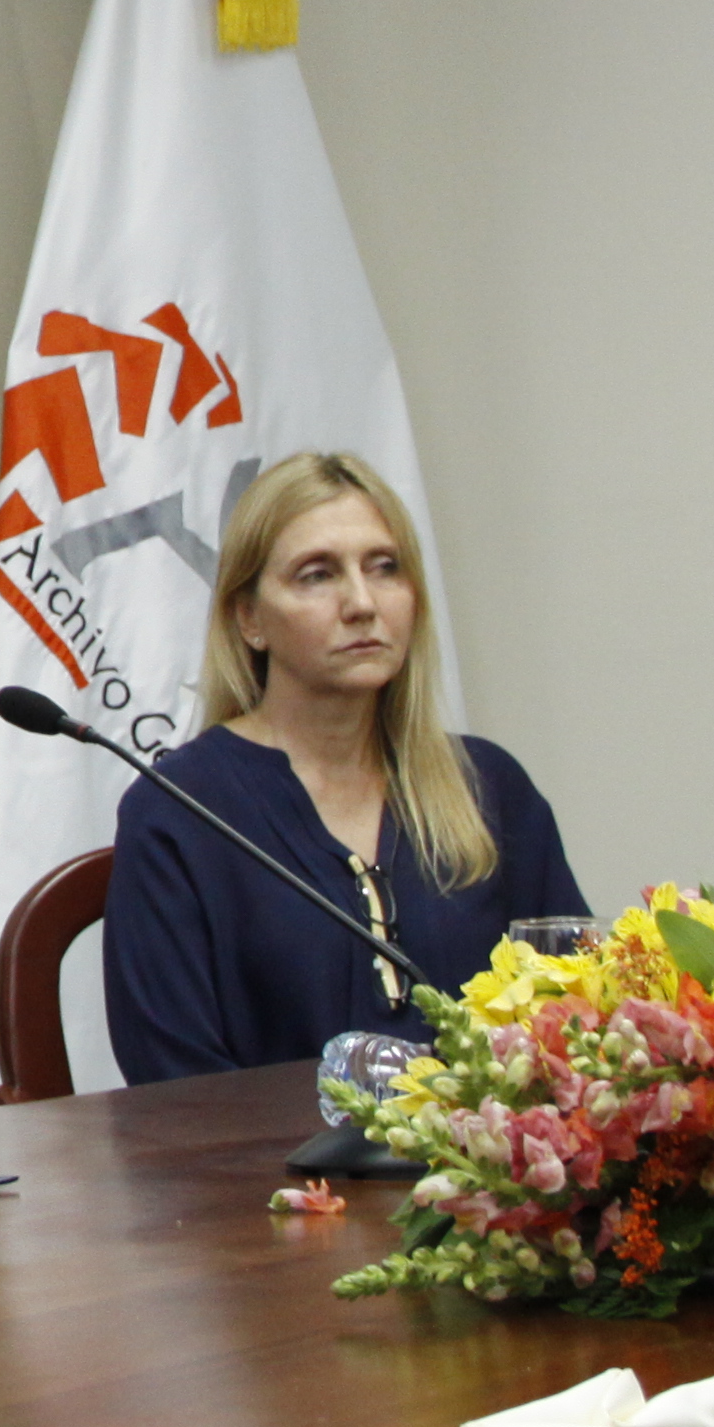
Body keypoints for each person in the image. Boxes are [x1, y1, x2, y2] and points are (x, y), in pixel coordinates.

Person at [102, 450, 583, 1083]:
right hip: (266, 1179)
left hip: (486, 1170)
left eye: (385, 568)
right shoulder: (179, 812)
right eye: (316, 575)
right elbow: (172, 1084)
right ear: (248, 618)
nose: (362, 602)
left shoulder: (490, 788)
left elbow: (579, 1012)